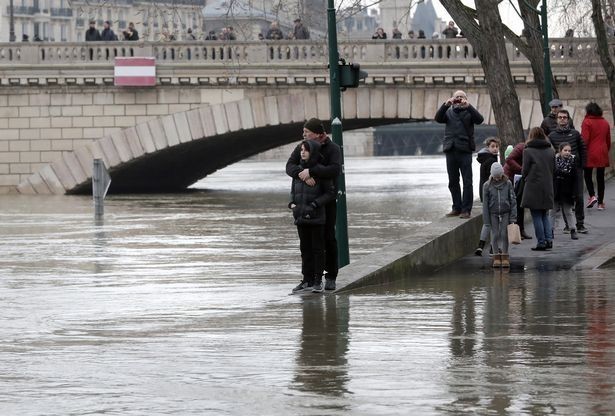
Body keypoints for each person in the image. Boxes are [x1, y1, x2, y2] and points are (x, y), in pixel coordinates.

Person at [286, 118, 341, 291]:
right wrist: (302, 174)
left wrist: (313, 172)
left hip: (326, 200)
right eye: (304, 133)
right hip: (305, 201)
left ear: (318, 134)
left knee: (328, 239)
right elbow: (289, 166)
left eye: (307, 132)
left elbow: (334, 169)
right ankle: (308, 279)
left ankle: (330, 276)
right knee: (307, 244)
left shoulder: (333, 149)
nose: (304, 135)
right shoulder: (302, 147)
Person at [435, 90, 484, 219]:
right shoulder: (448, 112)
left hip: (465, 150)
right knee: (453, 181)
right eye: (457, 97)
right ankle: (456, 207)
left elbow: (480, 120)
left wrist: (469, 106)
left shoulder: (469, 111)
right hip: (450, 149)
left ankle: (466, 209)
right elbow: (438, 118)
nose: (459, 99)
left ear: (466, 99)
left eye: (461, 97)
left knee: (467, 181)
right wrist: (445, 105)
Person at [548, 109, 588, 233]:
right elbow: (550, 153)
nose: (562, 119)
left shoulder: (575, 134)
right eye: (560, 117)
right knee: (564, 197)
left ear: (568, 119)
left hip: (576, 170)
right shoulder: (552, 136)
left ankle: (580, 223)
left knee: (579, 197)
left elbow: (583, 149)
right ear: (557, 119)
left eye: (565, 117)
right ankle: (568, 225)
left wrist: (582, 166)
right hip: (560, 172)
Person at [521, 127, 555, 251]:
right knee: (544, 214)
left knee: (536, 215)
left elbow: (524, 171)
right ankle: (549, 240)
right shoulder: (551, 150)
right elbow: (554, 169)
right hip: (547, 186)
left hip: (533, 186)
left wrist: (525, 177)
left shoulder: (528, 151)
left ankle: (541, 242)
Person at [482, 163, 516, 268]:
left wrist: (513, 217)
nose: (497, 179)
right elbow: (485, 204)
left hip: (506, 212)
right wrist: (486, 221)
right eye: (495, 177)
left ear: (502, 174)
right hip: (493, 213)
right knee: (495, 234)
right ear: (491, 175)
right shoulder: (487, 185)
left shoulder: (508, 183)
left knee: (504, 234)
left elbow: (513, 200)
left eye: (499, 177)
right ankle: (496, 256)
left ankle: (505, 256)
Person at [581, 102, 611, 211]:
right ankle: (601, 203)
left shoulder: (587, 122)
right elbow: (608, 140)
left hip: (590, 152)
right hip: (602, 152)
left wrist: (581, 152)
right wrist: (605, 150)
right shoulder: (605, 122)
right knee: (600, 178)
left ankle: (592, 195)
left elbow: (585, 140)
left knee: (587, 175)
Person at [474, 137, 500, 256]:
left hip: (484, 194)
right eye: (493, 147)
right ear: (488, 148)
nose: (495, 149)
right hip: (492, 195)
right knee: (495, 222)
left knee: (487, 222)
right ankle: (492, 248)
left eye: (496, 146)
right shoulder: (491, 161)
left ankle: (480, 246)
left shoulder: (484, 159)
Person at [503, 139, 532, 240]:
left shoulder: (531, 150)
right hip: (510, 177)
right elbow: (509, 159)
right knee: (512, 204)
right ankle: (513, 231)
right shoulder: (521, 147)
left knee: (520, 204)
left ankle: (521, 230)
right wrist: (521, 169)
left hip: (520, 178)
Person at [550, 142, 579, 240]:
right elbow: (552, 174)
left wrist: (575, 192)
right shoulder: (554, 160)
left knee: (568, 211)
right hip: (556, 188)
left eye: (569, 151)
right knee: (552, 211)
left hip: (567, 189)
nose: (567, 152)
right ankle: (550, 230)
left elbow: (575, 177)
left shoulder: (573, 160)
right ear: (560, 150)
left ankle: (573, 229)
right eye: (565, 150)